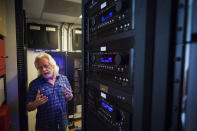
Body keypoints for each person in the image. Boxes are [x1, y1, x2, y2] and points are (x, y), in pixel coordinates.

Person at [26, 53, 73, 131]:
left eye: (46, 66)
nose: (43, 70)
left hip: (63, 125)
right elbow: (28, 107)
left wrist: (70, 97)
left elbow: (69, 97)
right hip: (44, 127)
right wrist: (36, 103)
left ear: (53, 65)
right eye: (40, 68)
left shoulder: (64, 79)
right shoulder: (34, 84)